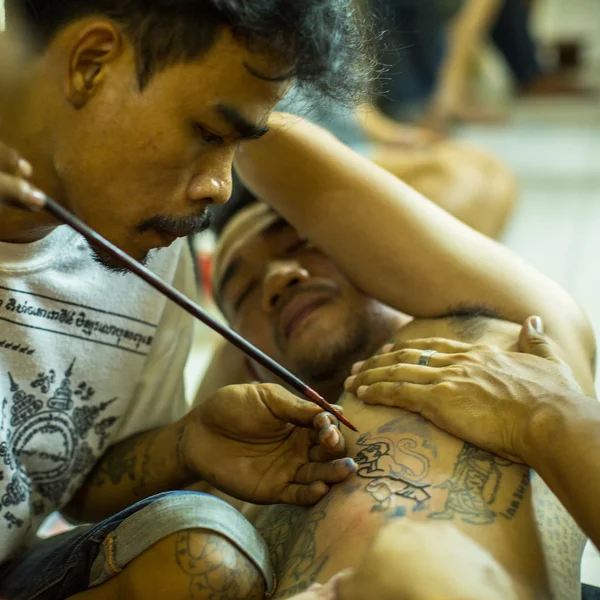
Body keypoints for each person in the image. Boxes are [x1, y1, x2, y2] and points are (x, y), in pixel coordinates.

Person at [0, 2, 370, 599]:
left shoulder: (145, 243)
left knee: (204, 557)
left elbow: (69, 474)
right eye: (206, 133)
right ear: (91, 64)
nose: (219, 187)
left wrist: (186, 443)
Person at [202, 112, 596, 599]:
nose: (280, 277)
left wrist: (547, 417)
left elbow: (262, 141)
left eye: (305, 244)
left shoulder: (520, 333)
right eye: (241, 294)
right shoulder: (236, 473)